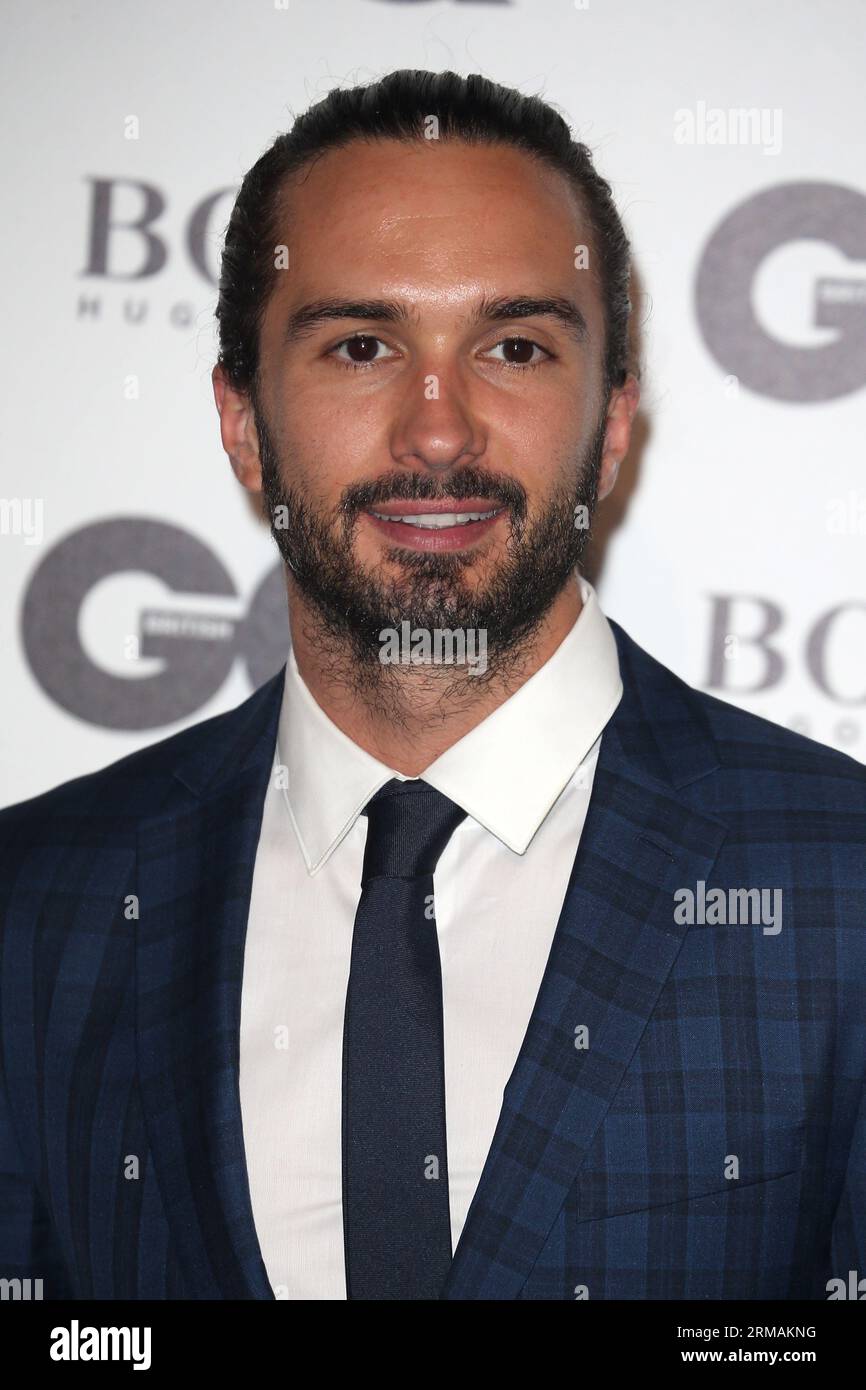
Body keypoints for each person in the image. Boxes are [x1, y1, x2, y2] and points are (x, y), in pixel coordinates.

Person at [1, 69, 864, 1302]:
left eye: (513, 346)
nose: (439, 429)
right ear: (242, 422)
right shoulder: (40, 904)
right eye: (362, 345)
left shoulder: (840, 885)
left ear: (612, 424)